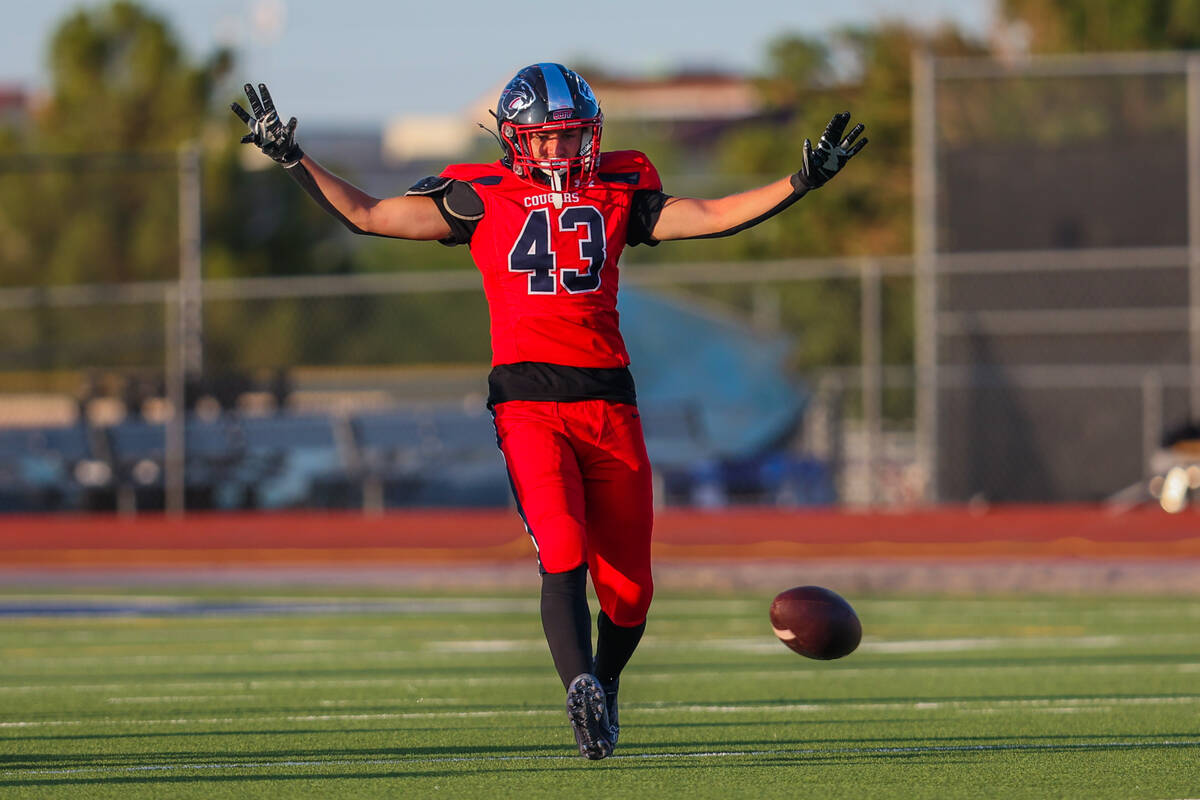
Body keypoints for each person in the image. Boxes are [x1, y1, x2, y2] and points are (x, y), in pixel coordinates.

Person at [232, 63, 866, 761]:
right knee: (561, 546)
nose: (561, 152)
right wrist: (294, 159)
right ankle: (579, 690)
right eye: (547, 139)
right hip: (528, 402)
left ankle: (606, 683)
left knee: (630, 591)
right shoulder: (480, 197)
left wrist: (799, 182)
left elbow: (712, 216)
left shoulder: (618, 190)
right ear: (515, 141)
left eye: (571, 138)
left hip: (609, 402)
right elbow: (370, 214)